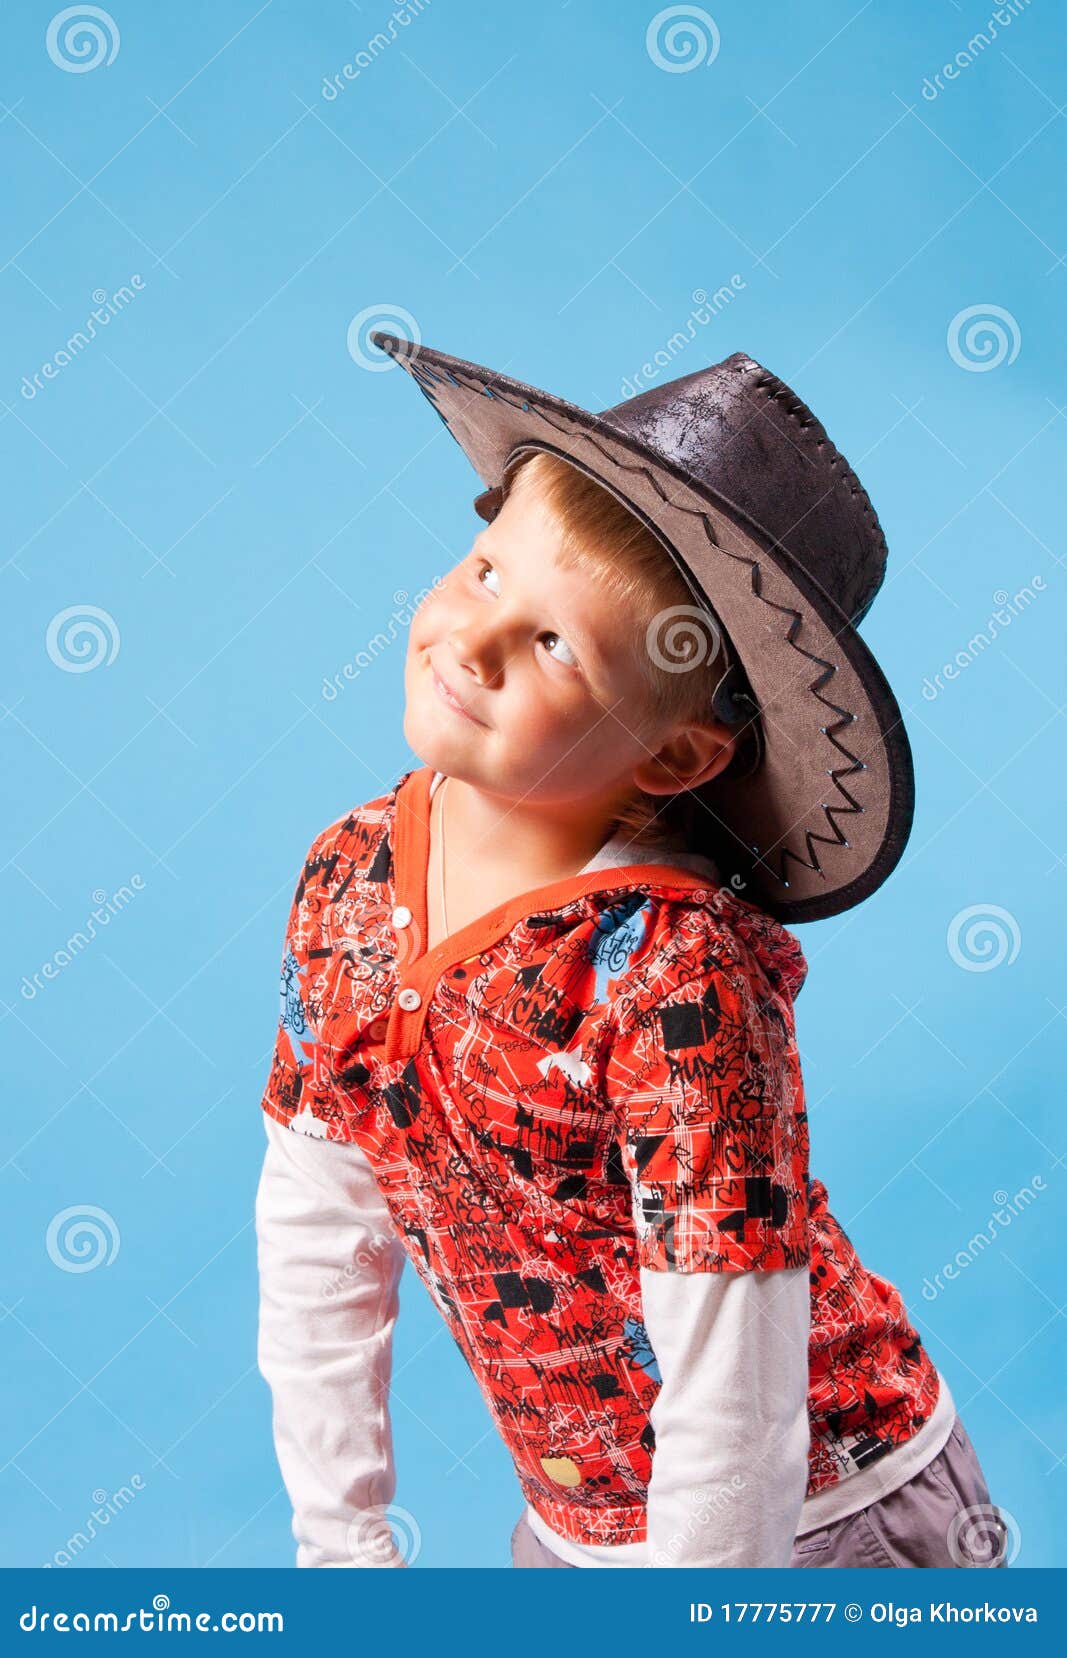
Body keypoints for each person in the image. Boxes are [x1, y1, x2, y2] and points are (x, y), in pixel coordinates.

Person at [255, 334, 1009, 1569]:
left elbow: (733, 1391)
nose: (474, 641)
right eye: (486, 571)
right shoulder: (349, 880)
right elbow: (317, 1227)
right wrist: (341, 1548)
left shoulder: (674, 974)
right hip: (583, 1525)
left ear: (673, 755)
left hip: (807, 1524)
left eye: (559, 644)